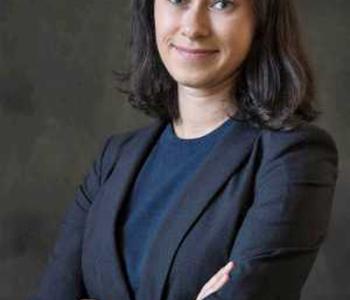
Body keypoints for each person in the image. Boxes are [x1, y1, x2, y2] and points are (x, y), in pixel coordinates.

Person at [28, 0, 339, 299]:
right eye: (177, 0)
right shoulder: (115, 158)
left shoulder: (294, 156)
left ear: (261, 18)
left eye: (221, 3)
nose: (193, 27)